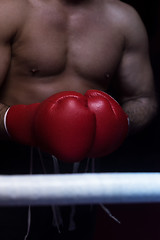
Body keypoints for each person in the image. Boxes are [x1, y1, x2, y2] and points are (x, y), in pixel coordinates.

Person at [0, 0, 157, 239]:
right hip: (13, 166)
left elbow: (143, 98)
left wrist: (120, 122)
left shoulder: (123, 19)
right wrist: (25, 123)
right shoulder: (9, 10)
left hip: (86, 173)